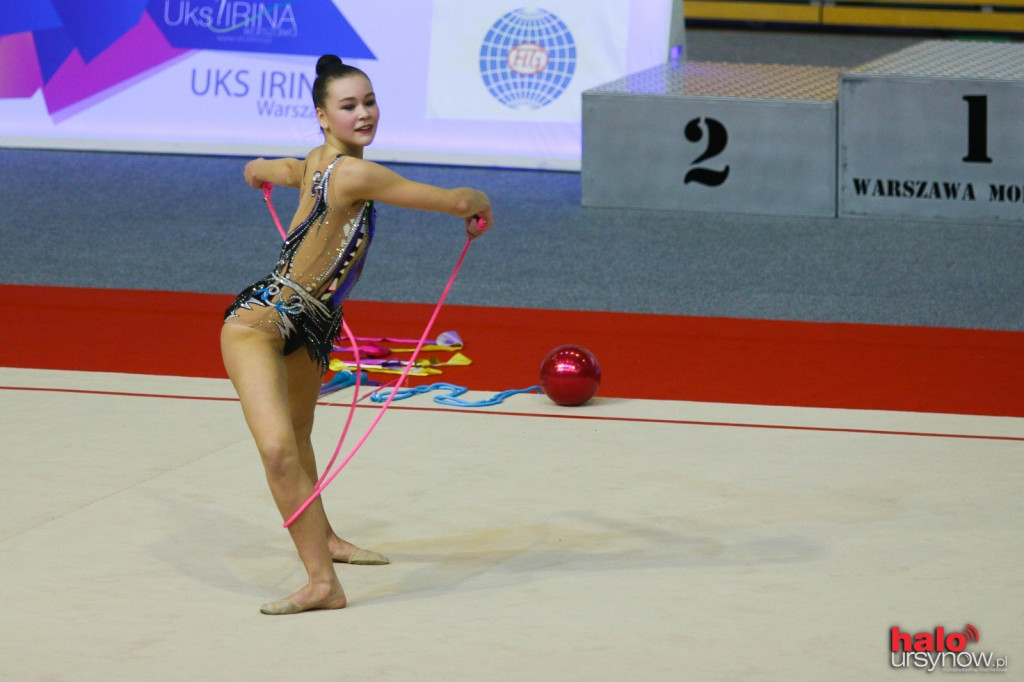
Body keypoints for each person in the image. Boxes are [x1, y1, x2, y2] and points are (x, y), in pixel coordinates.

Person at [221, 54, 493, 615]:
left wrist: (258, 167)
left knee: (300, 438)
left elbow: (286, 169)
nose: (364, 113)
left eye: (369, 102)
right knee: (278, 451)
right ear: (323, 115)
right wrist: (480, 204)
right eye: (349, 106)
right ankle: (322, 583)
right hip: (258, 327)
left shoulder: (323, 162)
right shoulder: (354, 173)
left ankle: (327, 540)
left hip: (313, 327)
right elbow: (457, 202)